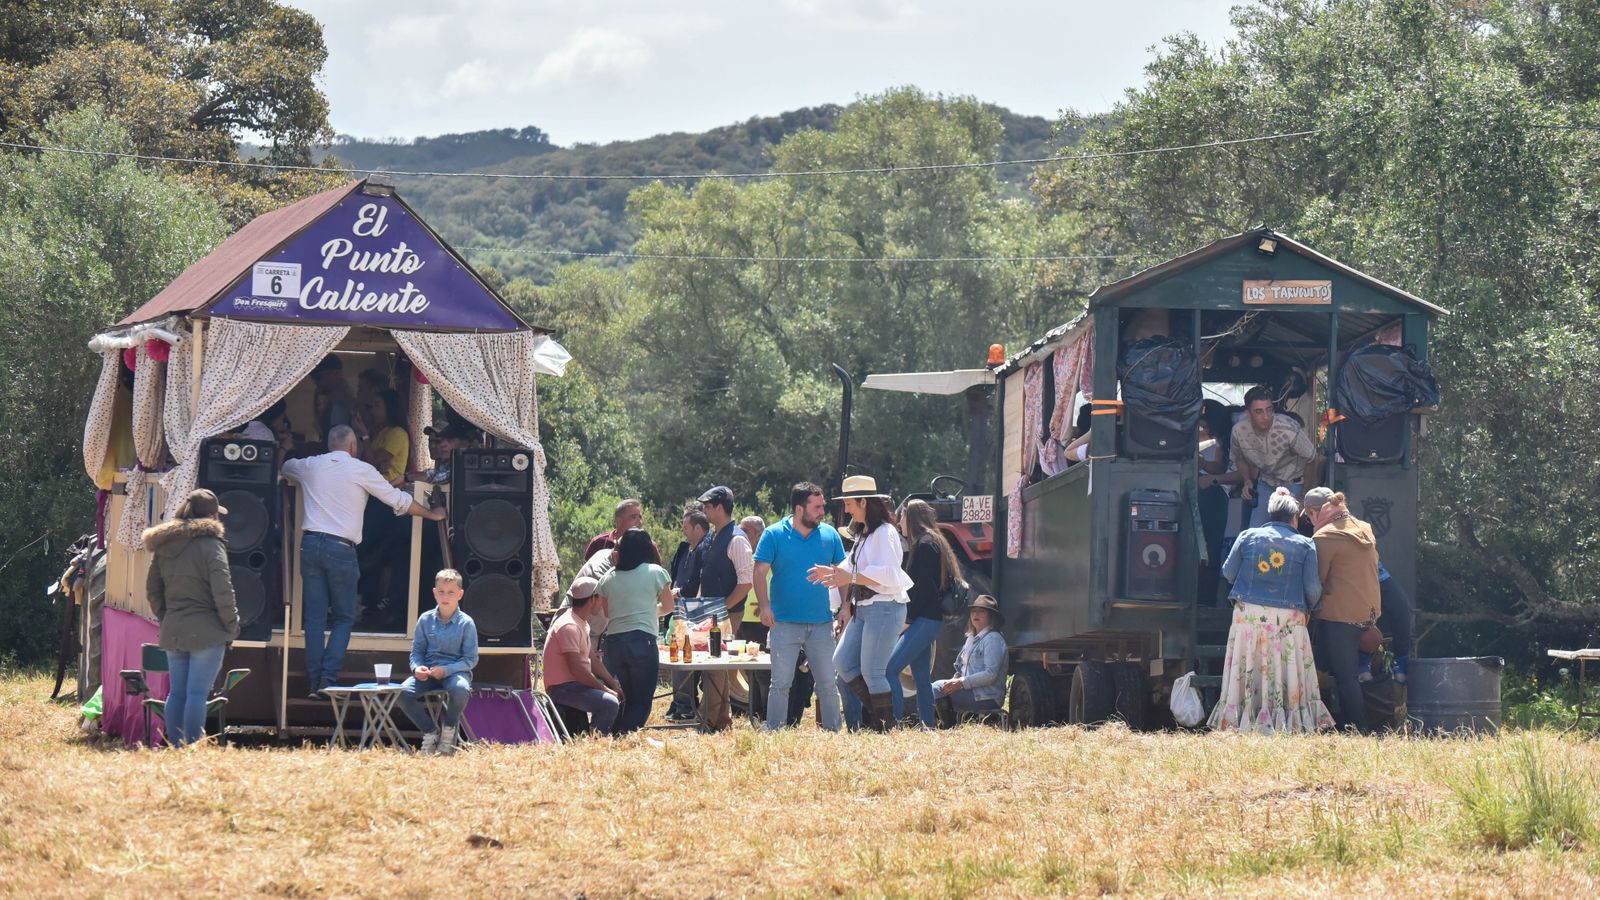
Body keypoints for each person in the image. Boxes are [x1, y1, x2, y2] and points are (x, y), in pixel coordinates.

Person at [281, 425, 446, 696]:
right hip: (341, 548)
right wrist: (432, 515)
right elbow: (399, 501)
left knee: (313, 617)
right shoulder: (361, 470)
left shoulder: (311, 465)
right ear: (353, 447)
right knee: (345, 617)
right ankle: (327, 681)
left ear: (328, 444)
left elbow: (287, 467)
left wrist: (286, 447)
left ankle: (314, 680)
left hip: (310, 544)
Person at [1207, 488, 1334, 734]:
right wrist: (1311, 608)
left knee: (1250, 663)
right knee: (1284, 664)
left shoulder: (1247, 536)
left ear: (1270, 514)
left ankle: (1244, 718)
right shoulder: (1305, 544)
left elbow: (1228, 572)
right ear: (1295, 518)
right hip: (1289, 616)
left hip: (1248, 614)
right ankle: (1287, 719)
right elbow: (1312, 589)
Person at [811, 475, 915, 733]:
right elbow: (850, 566)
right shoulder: (864, 534)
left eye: (849, 503)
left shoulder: (884, 533)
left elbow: (890, 574)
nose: (846, 508)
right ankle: (884, 721)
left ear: (864, 502)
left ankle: (883, 728)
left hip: (885, 608)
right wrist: (832, 572)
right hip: (868, 609)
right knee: (843, 662)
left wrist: (850, 577)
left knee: (873, 673)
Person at [143, 489, 240, 746]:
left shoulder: (164, 545)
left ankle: (176, 746)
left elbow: (153, 589)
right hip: (207, 631)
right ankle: (193, 747)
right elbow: (223, 589)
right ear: (211, 515)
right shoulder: (212, 545)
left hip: (174, 627)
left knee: (177, 692)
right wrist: (232, 624)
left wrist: (168, 616)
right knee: (197, 694)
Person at [755, 482, 847, 732]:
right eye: (817, 507)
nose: (822, 511)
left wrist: (846, 607)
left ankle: (833, 732)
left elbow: (843, 574)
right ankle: (774, 731)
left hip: (822, 623)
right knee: (781, 683)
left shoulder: (830, 535)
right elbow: (759, 571)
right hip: (783, 622)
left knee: (828, 683)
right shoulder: (773, 534)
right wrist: (764, 607)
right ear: (799, 509)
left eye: (823, 506)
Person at [1303, 487, 1382, 734]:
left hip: (1341, 618)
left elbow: (1317, 582)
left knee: (1346, 677)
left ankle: (1360, 730)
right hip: (1369, 615)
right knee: (1343, 670)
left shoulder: (1324, 538)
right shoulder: (1364, 528)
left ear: (1316, 513)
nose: (1309, 522)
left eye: (1309, 517)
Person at [885, 499, 965, 728]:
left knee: (891, 669)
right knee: (921, 679)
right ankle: (927, 725)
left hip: (923, 620)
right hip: (929, 621)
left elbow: (924, 589)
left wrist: (908, 620)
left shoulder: (925, 545)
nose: (899, 522)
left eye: (901, 517)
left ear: (910, 518)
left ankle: (896, 723)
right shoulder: (933, 542)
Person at [595, 528, 676, 734]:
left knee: (623, 695)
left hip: (613, 642)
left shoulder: (608, 578)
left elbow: (607, 613)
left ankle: (615, 732)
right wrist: (649, 610)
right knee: (641, 701)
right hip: (642, 641)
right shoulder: (656, 572)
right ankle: (626, 736)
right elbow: (668, 608)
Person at [693, 485, 756, 731]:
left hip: (727, 613)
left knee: (715, 665)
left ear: (720, 507)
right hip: (713, 612)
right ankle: (721, 720)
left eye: (708, 506)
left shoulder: (737, 539)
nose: (704, 510)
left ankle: (708, 720)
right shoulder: (714, 536)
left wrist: (722, 607)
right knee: (714, 665)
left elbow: (746, 583)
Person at [396, 569, 479, 755]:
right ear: (434, 593)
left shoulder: (467, 623)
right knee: (402, 692)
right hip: (429, 673)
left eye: (451, 592)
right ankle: (430, 731)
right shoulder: (425, 619)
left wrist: (447, 670)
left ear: (460, 594)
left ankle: (449, 731)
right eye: (441, 592)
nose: (445, 597)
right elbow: (416, 652)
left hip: (455, 672)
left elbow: (471, 659)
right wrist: (417, 667)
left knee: (460, 689)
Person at [541, 579, 623, 735]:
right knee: (610, 703)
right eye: (600, 597)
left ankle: (606, 734)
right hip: (562, 689)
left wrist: (613, 685)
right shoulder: (569, 626)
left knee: (617, 693)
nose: (602, 601)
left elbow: (591, 659)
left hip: (573, 685)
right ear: (592, 599)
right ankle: (595, 742)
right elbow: (578, 670)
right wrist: (606, 689)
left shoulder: (580, 622)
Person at [1231, 385, 1317, 529]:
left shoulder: (1288, 429)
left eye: (1269, 410)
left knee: (1286, 531)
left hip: (1293, 482)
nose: (1266, 417)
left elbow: (1312, 458)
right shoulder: (1239, 431)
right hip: (1266, 482)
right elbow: (1239, 457)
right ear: (1248, 413)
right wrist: (1247, 481)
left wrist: (1304, 496)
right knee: (1256, 530)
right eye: (1259, 411)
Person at [931, 594, 1009, 725]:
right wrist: (953, 681)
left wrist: (961, 683)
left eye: (981, 611)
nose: (976, 614)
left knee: (935, 689)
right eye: (973, 611)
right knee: (935, 687)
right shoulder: (970, 639)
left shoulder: (993, 639)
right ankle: (943, 726)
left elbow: (990, 675)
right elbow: (960, 669)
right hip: (969, 691)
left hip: (987, 696)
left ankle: (948, 727)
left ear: (991, 616)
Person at [665, 504, 710, 723]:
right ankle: (680, 702)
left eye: (686, 526)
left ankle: (686, 706)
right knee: (677, 655)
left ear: (699, 528)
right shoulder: (685, 548)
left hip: (697, 612)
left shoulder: (705, 549)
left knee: (689, 656)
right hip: (679, 610)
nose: (683, 530)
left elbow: (699, 581)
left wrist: (680, 591)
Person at [1362, 560, 1413, 684]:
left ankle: (1401, 663)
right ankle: (1362, 664)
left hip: (1377, 576)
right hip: (1352, 581)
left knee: (1401, 608)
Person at [584, 499, 660, 565]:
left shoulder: (650, 546)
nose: (639, 522)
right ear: (619, 521)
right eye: (633, 517)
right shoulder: (598, 543)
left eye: (640, 517)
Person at [409, 419, 476, 484]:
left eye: (438, 441)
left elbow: (440, 476)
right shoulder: (444, 462)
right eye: (430, 441)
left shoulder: (465, 463)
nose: (432, 446)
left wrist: (407, 477)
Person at [311, 355, 358, 442]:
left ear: (336, 374)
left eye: (318, 378)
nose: (316, 382)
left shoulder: (344, 400)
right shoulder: (331, 399)